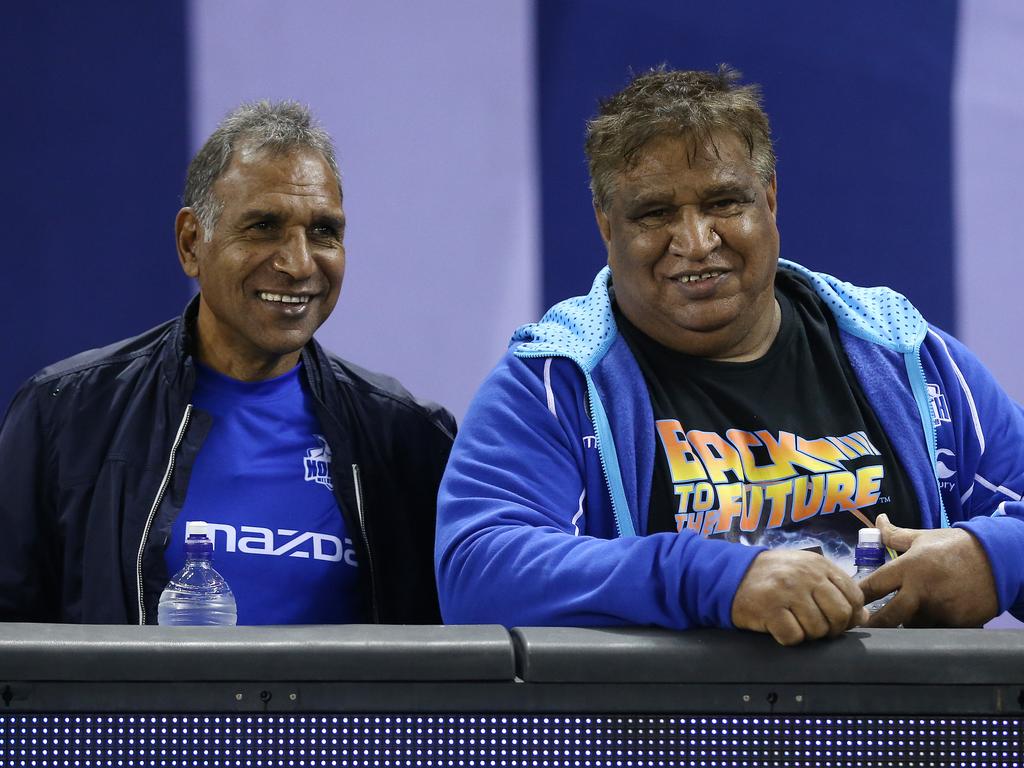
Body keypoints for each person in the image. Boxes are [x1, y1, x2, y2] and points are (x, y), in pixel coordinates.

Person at [435, 67, 1023, 645]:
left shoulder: (907, 354)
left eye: (723, 202)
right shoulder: (554, 382)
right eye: (655, 213)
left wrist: (995, 556)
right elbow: (478, 573)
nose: (694, 243)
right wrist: (717, 579)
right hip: (665, 742)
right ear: (606, 225)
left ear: (769, 199)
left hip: (903, 742)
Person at [0, 101, 455, 625]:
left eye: (324, 231)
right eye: (264, 226)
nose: (299, 263)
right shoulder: (66, 413)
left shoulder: (410, 439)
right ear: (192, 243)